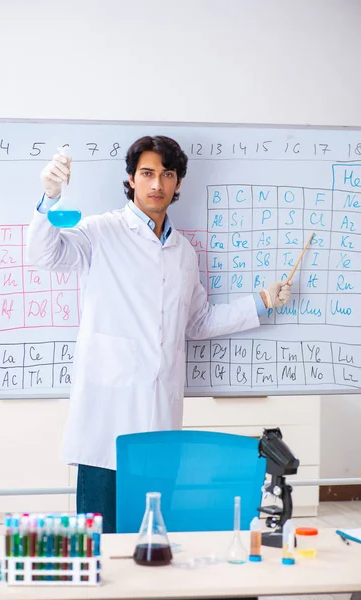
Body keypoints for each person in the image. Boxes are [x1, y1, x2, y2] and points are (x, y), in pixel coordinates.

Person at [27, 135, 292, 532]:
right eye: (147, 173)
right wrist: (48, 198)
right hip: (107, 423)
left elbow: (197, 321)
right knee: (100, 544)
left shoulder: (183, 252)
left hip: (160, 423)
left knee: (151, 541)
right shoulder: (102, 232)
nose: (157, 185)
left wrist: (260, 302)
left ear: (178, 183)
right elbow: (43, 256)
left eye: (167, 175)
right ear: (131, 179)